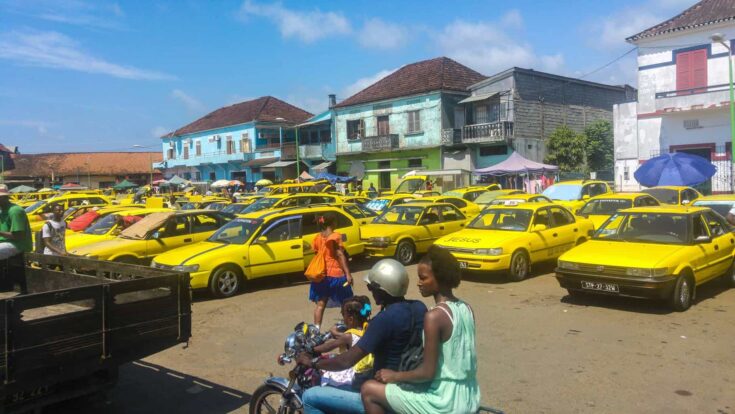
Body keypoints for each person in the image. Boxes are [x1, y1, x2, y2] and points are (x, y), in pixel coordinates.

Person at [297, 259, 427, 414]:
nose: (371, 291)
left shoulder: (384, 319)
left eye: (371, 287)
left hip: (383, 395)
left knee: (310, 397)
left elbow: (346, 361)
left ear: (383, 289)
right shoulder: (419, 308)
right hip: (411, 385)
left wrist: (313, 363)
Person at [361, 246, 480, 414]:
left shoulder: (434, 316)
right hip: (470, 396)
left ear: (441, 278)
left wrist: (393, 375)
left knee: (369, 390)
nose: (419, 282)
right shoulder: (466, 309)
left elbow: (427, 372)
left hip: (445, 401)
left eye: (423, 278)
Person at [313, 296, 374, 390]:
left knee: (322, 375)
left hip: (350, 372)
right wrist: (336, 333)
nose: (343, 319)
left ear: (350, 319)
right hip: (366, 371)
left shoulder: (347, 336)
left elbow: (327, 347)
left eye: (343, 315)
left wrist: (311, 349)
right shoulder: (368, 328)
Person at [309, 212, 354, 330]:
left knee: (320, 304)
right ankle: (349, 327)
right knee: (347, 303)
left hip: (321, 276)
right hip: (336, 276)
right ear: (333, 223)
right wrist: (348, 274)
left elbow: (317, 254)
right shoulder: (335, 236)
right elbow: (340, 255)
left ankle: (316, 329)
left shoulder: (317, 238)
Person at [0, 185, 32, 260]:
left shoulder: (15, 211)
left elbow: (18, 236)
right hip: (5, 243)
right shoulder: (2, 210)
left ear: (4, 198)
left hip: (18, 244)